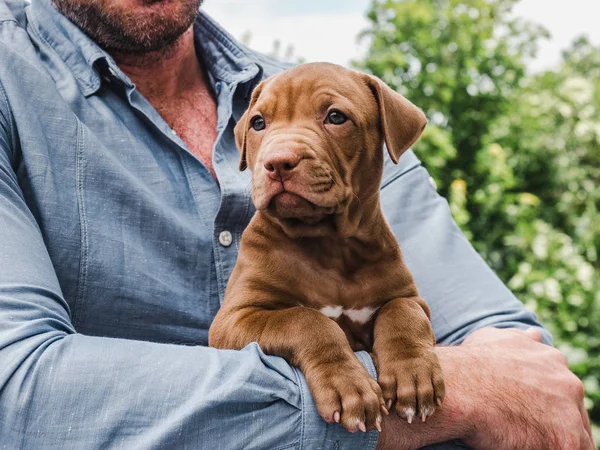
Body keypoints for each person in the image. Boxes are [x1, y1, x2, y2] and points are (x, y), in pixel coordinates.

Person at [0, 0, 593, 448]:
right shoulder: (11, 83)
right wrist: (417, 396)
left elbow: (518, 363)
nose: (282, 150)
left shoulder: (330, 97)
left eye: (330, 119)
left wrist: (436, 354)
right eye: (261, 131)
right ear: (248, 143)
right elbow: (16, 391)